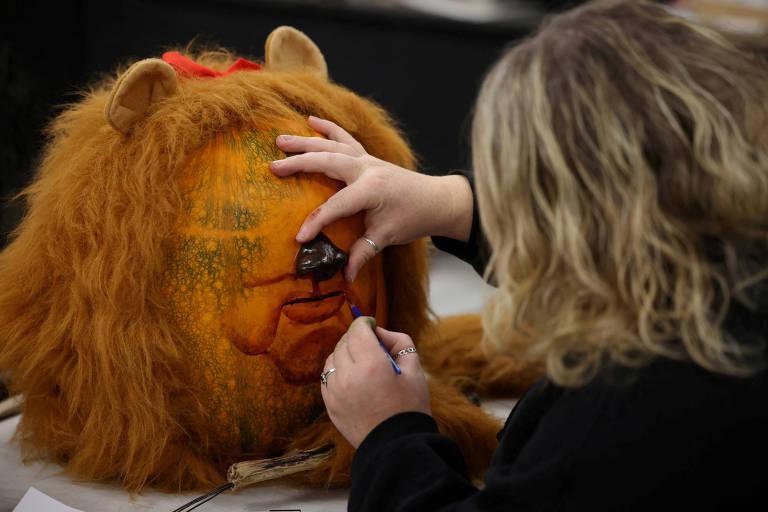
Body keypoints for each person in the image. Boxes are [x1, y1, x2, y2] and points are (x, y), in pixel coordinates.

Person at [269, 1, 768, 509]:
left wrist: (390, 435)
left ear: (562, 221)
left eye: (511, 197)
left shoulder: (632, 415)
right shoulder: (736, 278)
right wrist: (445, 203)